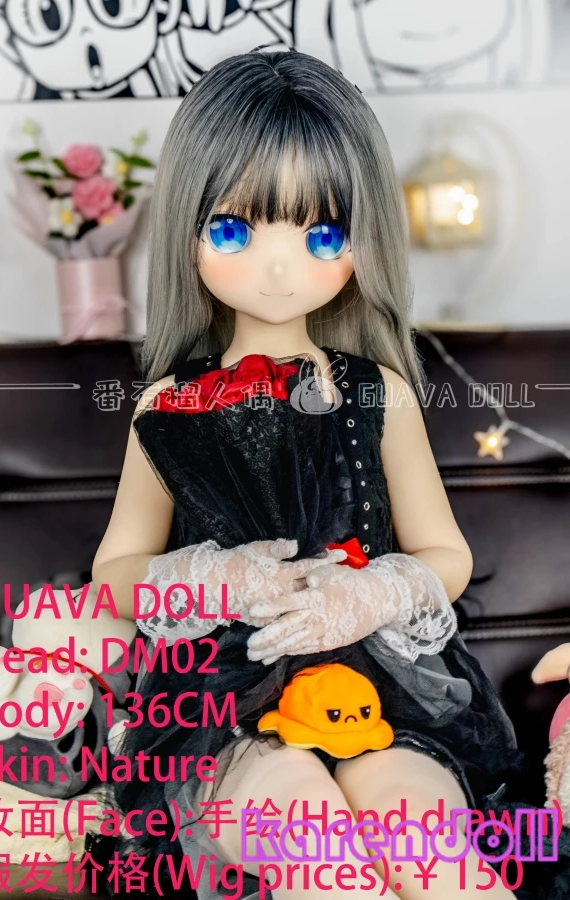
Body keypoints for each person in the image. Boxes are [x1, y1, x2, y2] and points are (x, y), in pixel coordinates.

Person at [90, 49, 535, 900]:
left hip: (386, 690)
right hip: (220, 708)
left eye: (321, 235)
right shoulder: (168, 405)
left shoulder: (377, 392)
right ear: (188, 229)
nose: (279, 267)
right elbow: (115, 571)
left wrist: (379, 590)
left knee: (429, 848)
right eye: (235, 230)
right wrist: (210, 579)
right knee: (317, 853)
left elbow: (447, 554)